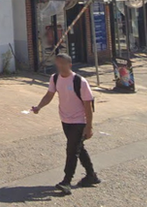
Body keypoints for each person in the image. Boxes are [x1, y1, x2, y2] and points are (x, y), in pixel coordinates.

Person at [30, 53, 100, 195]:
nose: (60, 66)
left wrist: (89, 126)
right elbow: (49, 95)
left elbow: (88, 105)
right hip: (65, 119)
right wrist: (39, 107)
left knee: (72, 150)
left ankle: (66, 181)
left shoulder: (80, 81)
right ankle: (91, 175)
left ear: (70, 65)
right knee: (78, 148)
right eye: (58, 63)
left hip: (79, 121)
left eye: (62, 64)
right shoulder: (55, 78)